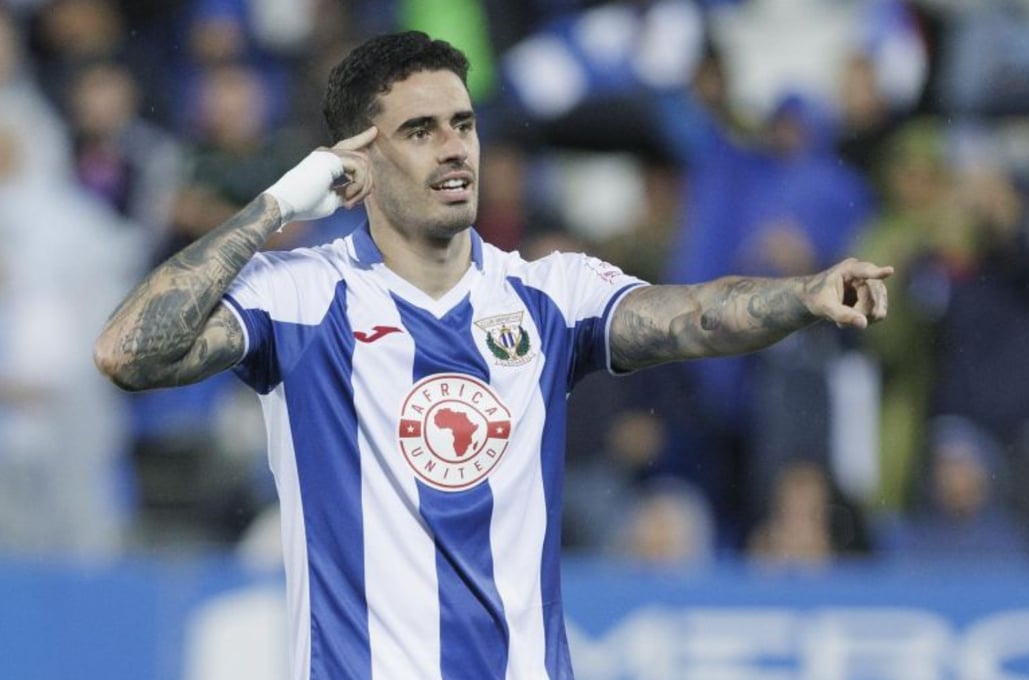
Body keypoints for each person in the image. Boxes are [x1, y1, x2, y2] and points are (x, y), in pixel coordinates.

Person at [93, 31, 892, 680]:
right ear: (357, 163)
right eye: (420, 131)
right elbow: (127, 352)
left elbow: (695, 317)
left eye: (464, 125)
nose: (455, 150)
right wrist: (275, 205)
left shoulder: (551, 293)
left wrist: (805, 293)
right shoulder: (300, 294)